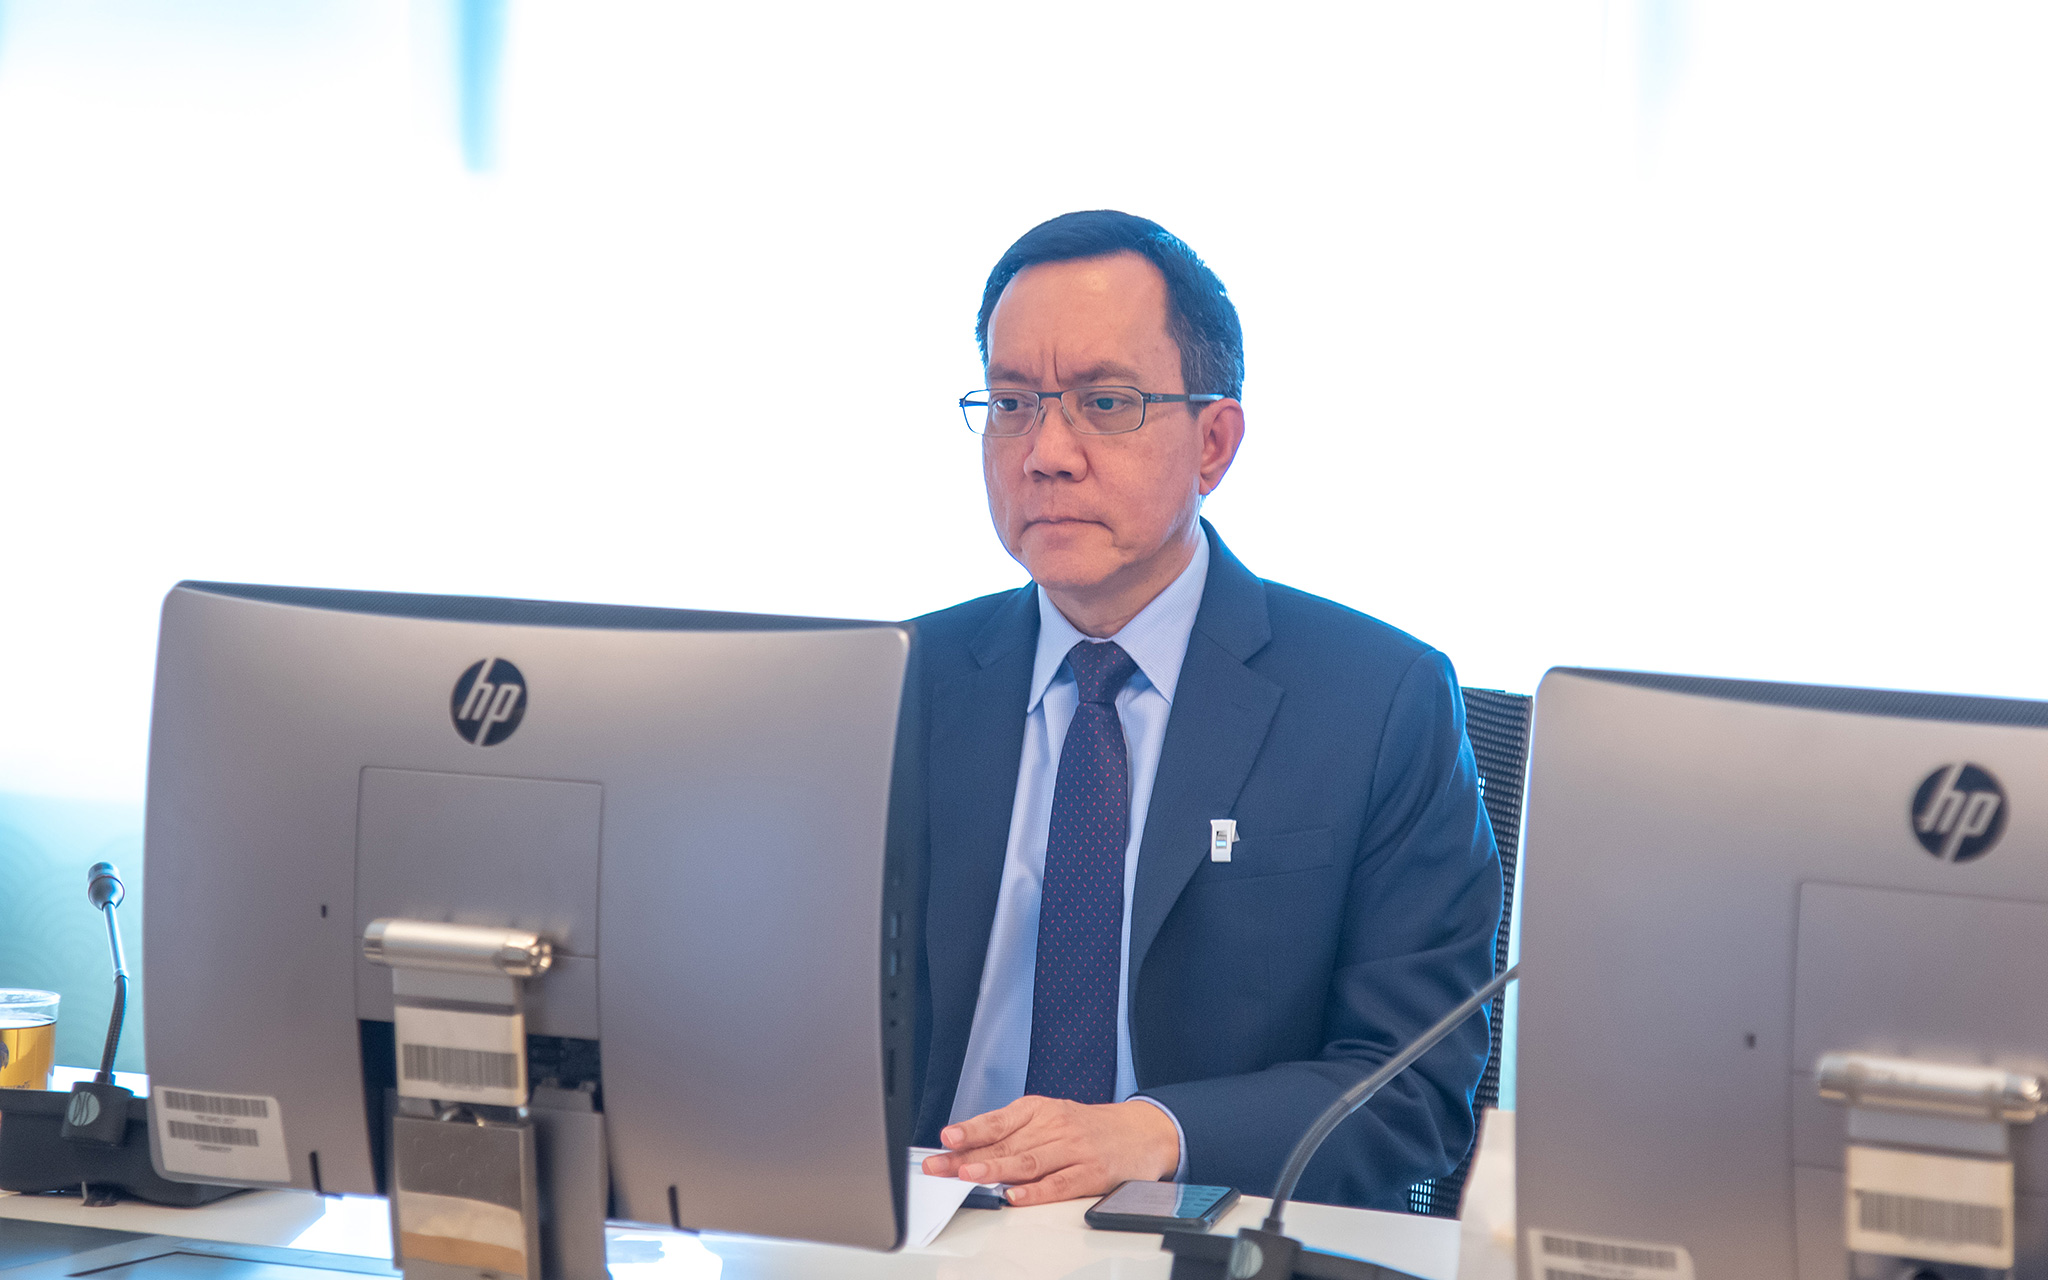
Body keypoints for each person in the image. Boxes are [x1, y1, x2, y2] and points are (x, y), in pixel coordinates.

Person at [911, 210, 1502, 1212]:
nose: (1044, 452)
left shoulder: (1376, 699)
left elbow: (1412, 1090)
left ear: (1214, 442)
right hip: (920, 1222)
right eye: (1010, 404)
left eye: (1104, 403)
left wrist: (1154, 1132)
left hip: (1200, 1229)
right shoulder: (900, 681)